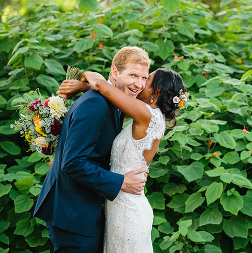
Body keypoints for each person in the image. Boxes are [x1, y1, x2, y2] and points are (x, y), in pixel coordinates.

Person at [32, 46, 153, 252]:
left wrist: (85, 85)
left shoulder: (113, 101)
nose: (139, 84)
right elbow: (73, 163)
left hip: (84, 207)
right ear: (114, 72)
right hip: (73, 211)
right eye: (133, 75)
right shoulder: (95, 106)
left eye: (143, 78)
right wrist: (121, 182)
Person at [69, 68, 186, 253]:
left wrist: (86, 75)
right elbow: (111, 97)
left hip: (127, 208)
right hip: (120, 200)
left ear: (156, 90)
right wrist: (84, 87)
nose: (140, 84)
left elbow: (101, 84)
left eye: (147, 80)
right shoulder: (150, 116)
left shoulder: (147, 115)